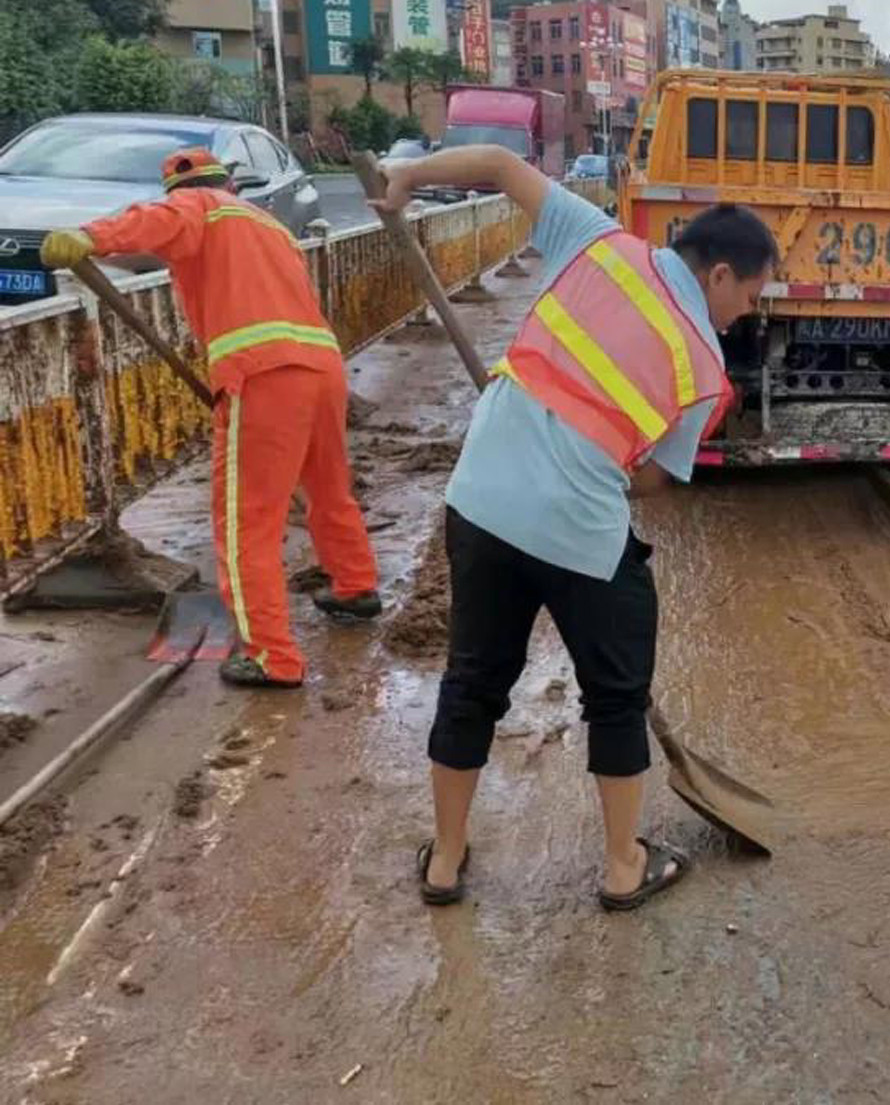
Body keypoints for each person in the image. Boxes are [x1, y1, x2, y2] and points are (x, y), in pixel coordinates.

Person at [371, 145, 778, 912]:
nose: (747, 312)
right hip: (580, 529)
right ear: (720, 274)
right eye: (752, 295)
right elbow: (654, 480)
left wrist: (408, 180)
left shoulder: (600, 241)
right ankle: (625, 866)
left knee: (472, 683)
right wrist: (595, 455)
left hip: (482, 500)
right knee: (616, 696)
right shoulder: (705, 369)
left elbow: (495, 162)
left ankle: (447, 861)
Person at [41, 148, 380, 688]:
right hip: (321, 366)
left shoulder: (199, 204)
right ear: (233, 183)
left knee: (246, 518)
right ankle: (356, 585)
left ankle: (272, 656)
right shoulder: (266, 224)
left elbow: (157, 220)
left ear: (186, 188)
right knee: (328, 487)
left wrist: (90, 236)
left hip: (263, 374)